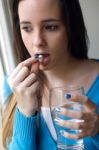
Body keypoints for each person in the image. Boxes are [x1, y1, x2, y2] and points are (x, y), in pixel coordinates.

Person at [2, 0, 99, 149]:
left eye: (50, 27)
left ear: (70, 26)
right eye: (27, 28)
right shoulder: (13, 85)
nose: (37, 42)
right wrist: (24, 113)